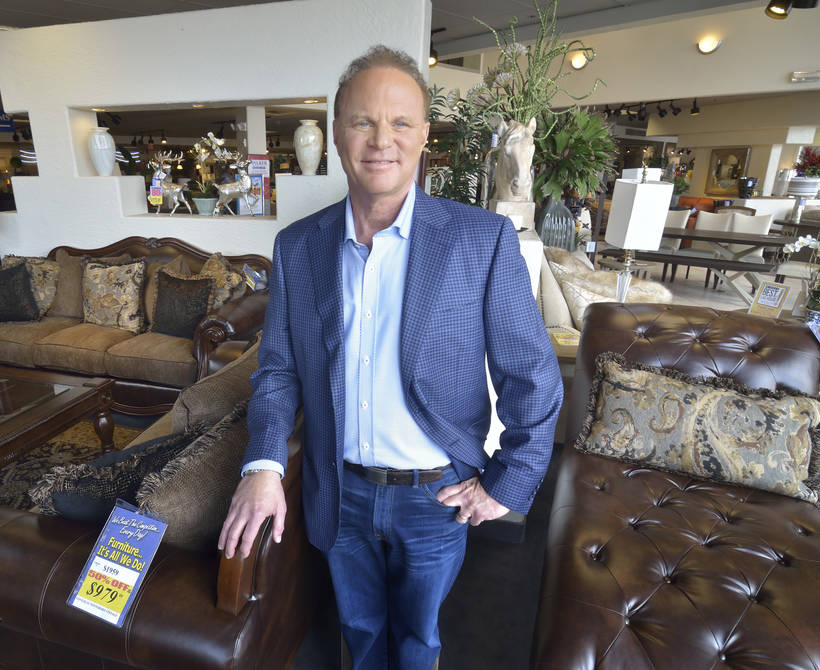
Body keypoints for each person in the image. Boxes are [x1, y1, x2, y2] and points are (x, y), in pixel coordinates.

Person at [218, 45, 563, 670]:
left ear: (425, 135)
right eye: (362, 121)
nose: (382, 140)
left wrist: (504, 484)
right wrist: (263, 464)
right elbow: (277, 370)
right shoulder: (299, 246)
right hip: (339, 490)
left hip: (436, 495)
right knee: (362, 634)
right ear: (335, 132)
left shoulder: (480, 240)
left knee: (419, 640)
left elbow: (533, 376)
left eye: (401, 122)